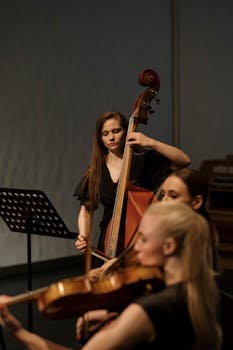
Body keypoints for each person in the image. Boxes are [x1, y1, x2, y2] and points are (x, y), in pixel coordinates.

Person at [0, 202, 222, 349]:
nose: (136, 248)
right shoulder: (197, 290)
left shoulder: (148, 309)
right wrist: (116, 318)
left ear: (169, 247)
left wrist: (18, 332)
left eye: (143, 239)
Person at [74, 111, 190, 260]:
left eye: (116, 131)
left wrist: (151, 142)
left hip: (143, 235)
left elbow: (184, 160)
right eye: (105, 133)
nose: (111, 137)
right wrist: (83, 235)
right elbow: (86, 209)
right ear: (100, 137)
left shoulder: (143, 159)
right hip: (109, 239)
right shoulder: (95, 170)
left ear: (126, 131)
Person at [157, 167, 220, 271]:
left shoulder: (196, 241)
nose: (164, 201)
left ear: (196, 202)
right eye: (163, 195)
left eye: (173, 196)